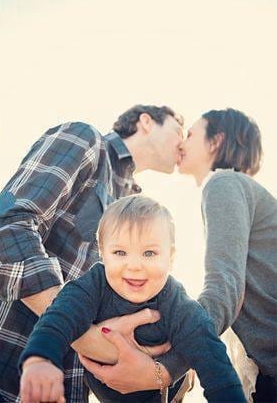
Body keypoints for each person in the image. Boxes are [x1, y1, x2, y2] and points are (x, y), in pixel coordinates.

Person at [78, 109, 276, 402]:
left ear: (216, 142)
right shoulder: (238, 191)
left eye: (191, 134)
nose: (182, 143)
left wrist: (167, 367)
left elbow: (225, 287)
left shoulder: (223, 184)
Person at [0, 105, 183, 401]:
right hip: (6, 374)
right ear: (146, 122)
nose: (183, 143)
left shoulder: (130, 208)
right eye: (178, 130)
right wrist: (90, 340)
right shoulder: (86, 141)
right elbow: (10, 223)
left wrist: (172, 365)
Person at [19, 195, 246, 403]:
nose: (135, 265)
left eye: (149, 253)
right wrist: (39, 359)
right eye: (120, 253)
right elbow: (59, 316)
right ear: (103, 253)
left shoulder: (179, 306)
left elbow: (215, 366)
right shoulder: (93, 285)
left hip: (166, 397)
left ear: (171, 257)